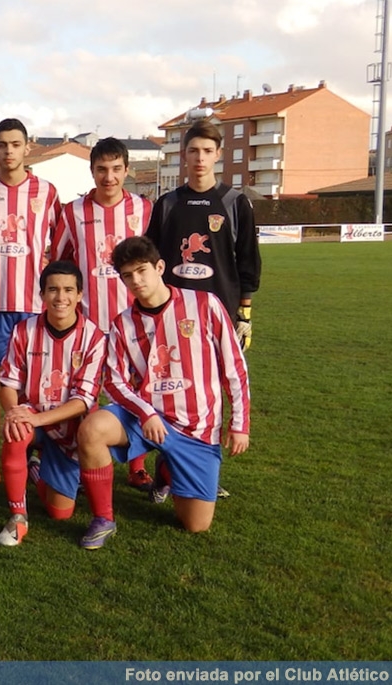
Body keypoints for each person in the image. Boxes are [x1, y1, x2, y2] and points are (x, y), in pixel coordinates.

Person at [75, 236, 250, 546]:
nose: (136, 280)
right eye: (127, 275)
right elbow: (114, 382)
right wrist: (146, 413)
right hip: (146, 419)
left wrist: (239, 425)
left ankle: (167, 469)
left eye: (142, 271)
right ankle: (103, 518)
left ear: (160, 267)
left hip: (197, 427)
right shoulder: (123, 324)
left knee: (195, 525)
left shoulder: (205, 304)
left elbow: (234, 368)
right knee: (92, 430)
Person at [0, 118, 67, 494]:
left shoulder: (47, 192)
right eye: (2, 144)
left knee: (37, 389)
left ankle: (38, 456)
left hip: (35, 307)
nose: (9, 151)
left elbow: (58, 245)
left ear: (28, 148)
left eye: (15, 144)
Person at [53, 137, 155, 490]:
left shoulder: (144, 209)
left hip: (134, 320)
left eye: (115, 169)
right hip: (88, 323)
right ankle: (81, 458)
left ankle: (137, 464)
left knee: (137, 388)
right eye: (101, 169)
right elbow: (60, 263)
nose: (108, 177)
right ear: (92, 171)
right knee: (84, 390)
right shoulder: (74, 212)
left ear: (127, 170)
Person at [0, 261, 106, 546]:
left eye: (69, 290)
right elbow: (8, 384)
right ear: (42, 294)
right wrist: (14, 413)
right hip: (32, 413)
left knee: (60, 513)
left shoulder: (93, 337)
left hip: (70, 427)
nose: (61, 297)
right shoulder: (24, 330)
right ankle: (17, 517)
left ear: (80, 294)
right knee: (16, 431)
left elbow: (84, 401)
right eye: (53, 289)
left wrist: (33, 420)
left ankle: (35, 467)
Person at [146, 120, 261, 351]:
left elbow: (248, 260)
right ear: (183, 155)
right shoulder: (167, 204)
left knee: (212, 384)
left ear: (217, 154)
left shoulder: (235, 203)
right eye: (194, 151)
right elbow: (150, 258)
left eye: (207, 151)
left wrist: (244, 314)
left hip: (220, 311)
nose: (200, 158)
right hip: (171, 311)